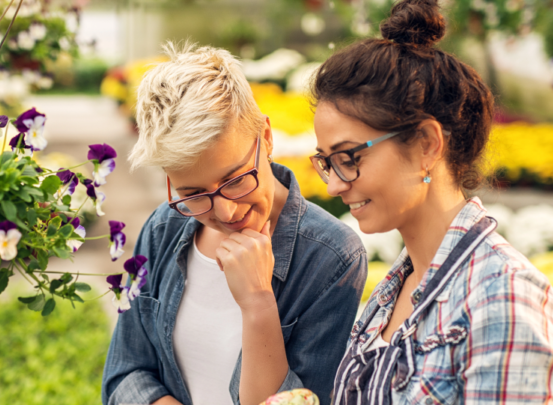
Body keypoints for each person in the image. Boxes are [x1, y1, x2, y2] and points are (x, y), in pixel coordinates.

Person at [310, 0, 553, 404]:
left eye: (348, 158)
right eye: (326, 162)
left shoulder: (503, 300)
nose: (333, 185)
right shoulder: (395, 287)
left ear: (426, 144)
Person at [102, 44, 368, 405]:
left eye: (235, 179)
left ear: (266, 138)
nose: (225, 212)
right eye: (193, 193)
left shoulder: (330, 257)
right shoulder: (164, 228)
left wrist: (258, 303)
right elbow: (124, 373)